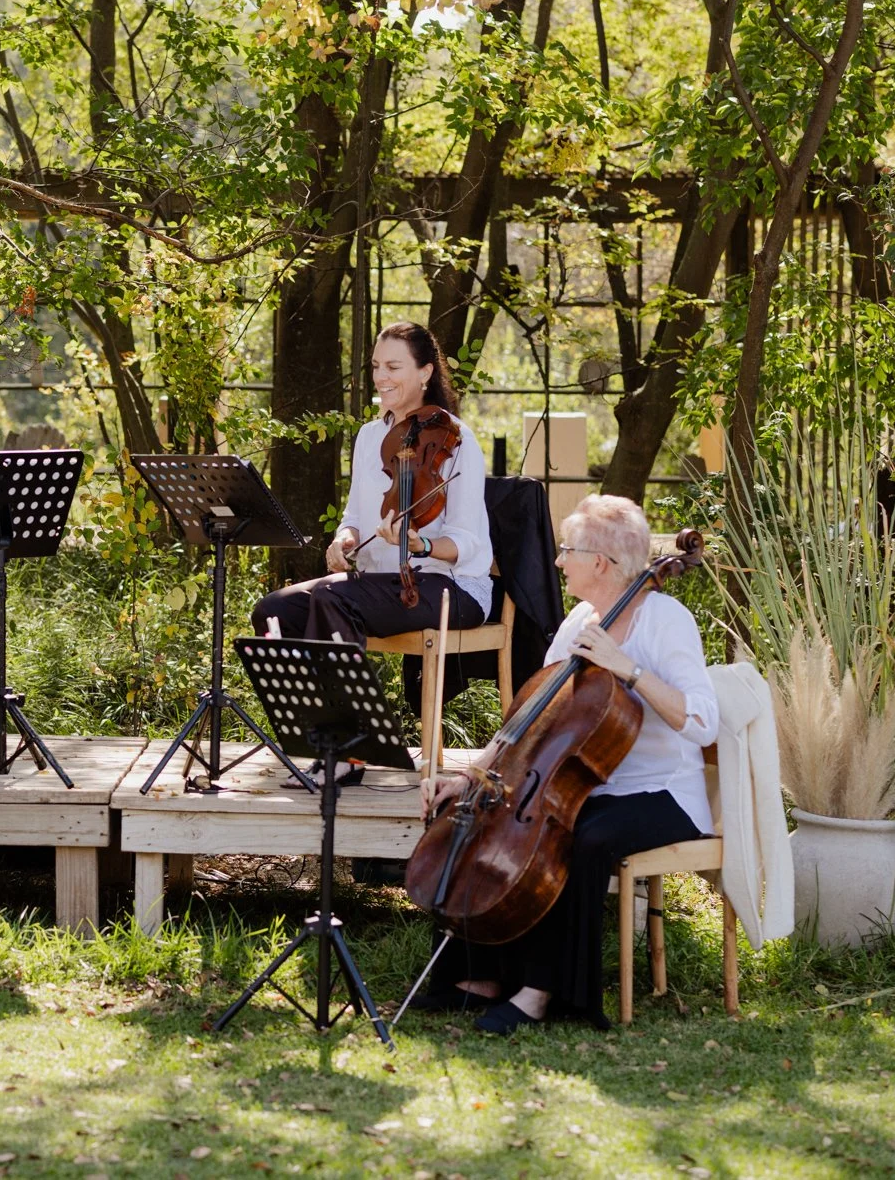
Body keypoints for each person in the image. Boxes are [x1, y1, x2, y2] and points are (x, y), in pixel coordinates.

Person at [415, 493, 719, 1034]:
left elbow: (703, 722)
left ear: (600, 562)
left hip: (663, 793)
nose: (558, 562)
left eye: (567, 551)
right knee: (489, 817)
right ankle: (481, 975)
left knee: (586, 840)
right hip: (587, 785)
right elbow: (531, 714)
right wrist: (471, 775)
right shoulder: (580, 618)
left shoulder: (667, 621)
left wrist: (628, 669)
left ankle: (540, 992)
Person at [250, 322, 493, 783]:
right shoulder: (368, 437)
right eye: (377, 366)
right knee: (274, 611)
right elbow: (354, 516)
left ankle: (348, 751)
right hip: (382, 585)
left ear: (425, 372)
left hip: (452, 587)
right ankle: (316, 734)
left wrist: (420, 543)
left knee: (332, 598)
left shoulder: (457, 439)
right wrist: (343, 539)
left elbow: (468, 543)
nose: (381, 376)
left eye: (394, 367)